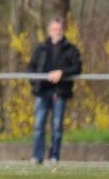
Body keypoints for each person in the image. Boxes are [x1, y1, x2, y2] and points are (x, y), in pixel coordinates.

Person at [28, 16, 82, 168]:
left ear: (63, 30)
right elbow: (30, 68)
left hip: (60, 92)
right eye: (53, 29)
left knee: (57, 126)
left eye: (59, 29)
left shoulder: (71, 49)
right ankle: (37, 157)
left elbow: (77, 67)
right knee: (39, 125)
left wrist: (62, 73)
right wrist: (36, 83)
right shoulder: (41, 48)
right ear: (49, 31)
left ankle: (54, 156)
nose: (56, 32)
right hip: (42, 92)